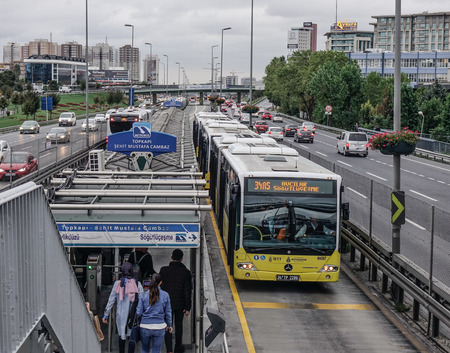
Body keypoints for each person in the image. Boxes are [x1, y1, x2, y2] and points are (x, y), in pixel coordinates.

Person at [102, 262, 143, 353]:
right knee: (131, 335)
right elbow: (142, 301)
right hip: (133, 315)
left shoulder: (118, 283)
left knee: (122, 335)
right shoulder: (137, 284)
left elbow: (111, 300)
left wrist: (106, 314)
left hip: (120, 315)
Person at [160, 249, 192, 353]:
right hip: (180, 305)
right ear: (182, 259)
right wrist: (188, 307)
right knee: (179, 326)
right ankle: (178, 347)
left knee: (168, 325)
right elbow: (187, 291)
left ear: (171, 258)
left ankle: (169, 349)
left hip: (166, 304)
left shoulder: (164, 270)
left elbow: (160, 286)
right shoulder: (186, 273)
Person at [137, 273, 173, 353]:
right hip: (159, 327)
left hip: (145, 326)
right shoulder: (165, 295)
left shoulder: (143, 295)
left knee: (144, 350)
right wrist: (169, 325)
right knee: (156, 350)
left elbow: (139, 312)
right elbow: (168, 312)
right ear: (160, 282)